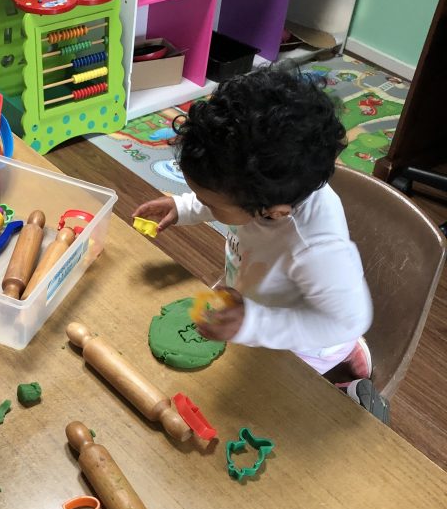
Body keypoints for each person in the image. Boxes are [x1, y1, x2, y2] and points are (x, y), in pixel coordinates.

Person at [133, 67, 373, 381]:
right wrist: (183, 207)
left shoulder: (316, 250)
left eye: (208, 203)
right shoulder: (266, 191)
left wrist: (254, 323)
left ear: (274, 212)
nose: (201, 203)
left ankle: (345, 371)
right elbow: (224, 198)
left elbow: (348, 322)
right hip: (258, 298)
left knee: (267, 393)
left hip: (308, 344)